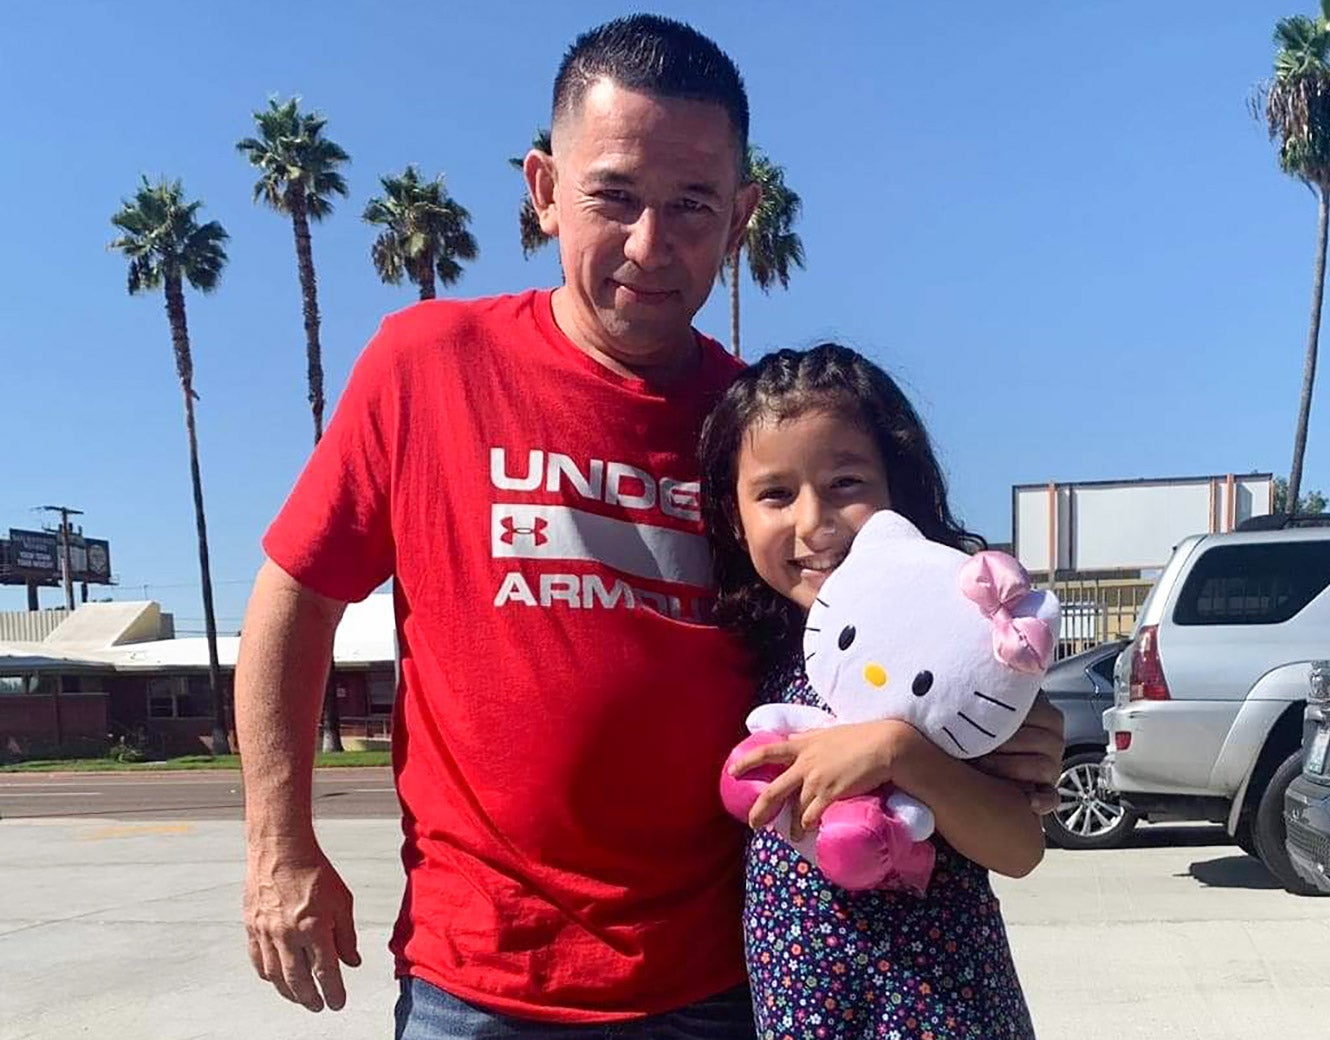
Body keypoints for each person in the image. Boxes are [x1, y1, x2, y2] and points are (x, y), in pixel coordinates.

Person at [235, 14, 1065, 1039]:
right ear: (543, 189)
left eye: (691, 206)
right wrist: (279, 842)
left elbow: (904, 632)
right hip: (480, 983)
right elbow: (296, 592)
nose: (649, 244)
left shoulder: (765, 434)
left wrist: (1002, 724)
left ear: (742, 215)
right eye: (614, 196)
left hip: (718, 982)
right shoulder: (427, 364)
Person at [698, 344, 1041, 1039]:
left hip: (950, 1019)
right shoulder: (749, 650)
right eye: (775, 493)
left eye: (846, 482)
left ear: (898, 495)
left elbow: (1019, 847)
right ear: (734, 517)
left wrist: (898, 751)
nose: (812, 522)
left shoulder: (954, 652)